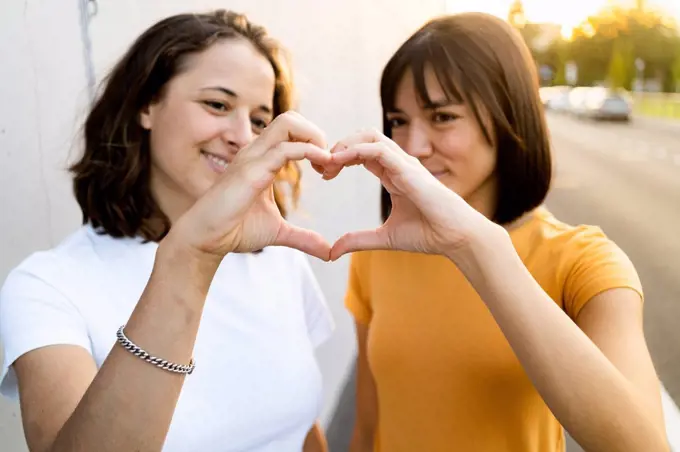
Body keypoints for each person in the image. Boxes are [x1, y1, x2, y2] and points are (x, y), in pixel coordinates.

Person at [322, 12, 670, 452]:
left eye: (442, 117)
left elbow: (645, 445)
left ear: (508, 118)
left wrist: (477, 246)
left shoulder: (583, 261)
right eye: (398, 120)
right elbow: (369, 426)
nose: (411, 148)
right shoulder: (375, 252)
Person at [0, 10, 336, 452]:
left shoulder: (281, 258)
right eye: (217, 104)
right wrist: (189, 258)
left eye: (259, 119)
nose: (242, 137)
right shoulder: (47, 285)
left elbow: (299, 428)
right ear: (145, 105)